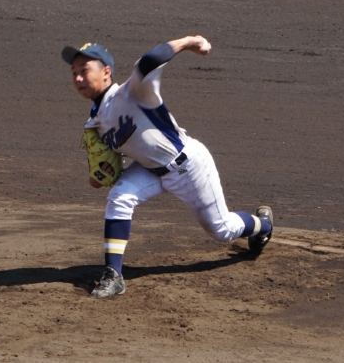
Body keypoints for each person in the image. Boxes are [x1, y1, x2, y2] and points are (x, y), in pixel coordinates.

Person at [62, 36, 273, 298]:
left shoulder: (133, 91)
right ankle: (113, 275)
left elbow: (150, 61)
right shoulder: (94, 122)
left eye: (84, 71)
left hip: (188, 165)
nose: (78, 78)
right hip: (148, 169)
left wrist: (191, 41)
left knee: (222, 230)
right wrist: (99, 175)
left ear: (106, 72)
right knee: (119, 197)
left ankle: (264, 226)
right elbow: (100, 176)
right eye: (74, 73)